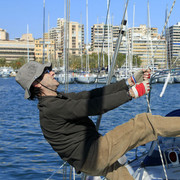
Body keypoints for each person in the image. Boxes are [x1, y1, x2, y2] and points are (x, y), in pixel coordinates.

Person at [16, 61, 180, 180]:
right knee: (144, 123)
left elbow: (93, 95)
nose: (52, 72)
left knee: (121, 175)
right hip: (94, 154)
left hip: (89, 161)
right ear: (37, 84)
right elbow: (93, 107)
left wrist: (129, 82)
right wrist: (132, 93)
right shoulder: (52, 108)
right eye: (46, 71)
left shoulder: (59, 99)